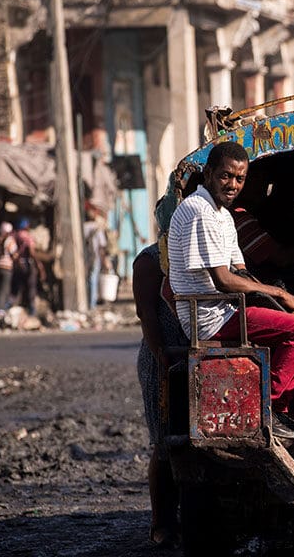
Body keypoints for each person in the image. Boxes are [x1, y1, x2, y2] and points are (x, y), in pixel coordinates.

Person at [167, 141, 294, 439]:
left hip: (228, 309)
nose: (232, 185)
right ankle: (269, 405)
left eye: (239, 179)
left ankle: (283, 407)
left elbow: (241, 270)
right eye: (226, 176)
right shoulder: (199, 210)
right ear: (209, 173)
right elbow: (223, 280)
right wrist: (279, 295)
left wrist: (273, 297)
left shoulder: (223, 215)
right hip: (209, 318)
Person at [133, 198, 186, 548]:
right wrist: (160, 354)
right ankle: (161, 523)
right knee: (164, 443)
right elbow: (147, 315)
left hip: (193, 357)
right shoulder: (151, 260)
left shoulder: (193, 251)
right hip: (162, 357)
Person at [12, 217, 41, 317]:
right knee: (31, 288)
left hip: (17, 266)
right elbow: (31, 251)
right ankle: (32, 311)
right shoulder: (27, 236)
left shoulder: (14, 236)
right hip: (28, 264)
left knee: (17, 289)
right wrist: (39, 265)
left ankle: (11, 309)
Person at [83, 205, 110, 310]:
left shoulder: (83, 227)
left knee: (88, 279)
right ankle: (92, 304)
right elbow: (101, 246)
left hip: (85, 256)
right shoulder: (97, 228)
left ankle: (88, 302)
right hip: (95, 256)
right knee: (94, 279)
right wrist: (104, 260)